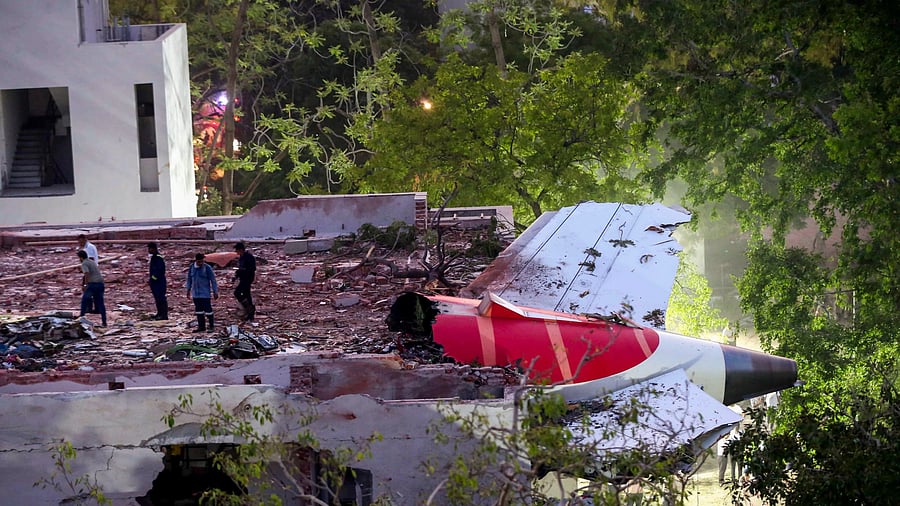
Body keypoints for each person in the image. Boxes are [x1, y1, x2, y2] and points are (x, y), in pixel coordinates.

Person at [186, 253, 218, 333]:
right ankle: (201, 326)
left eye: (202, 261)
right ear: (196, 260)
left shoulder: (207, 268)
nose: (201, 263)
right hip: (196, 294)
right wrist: (188, 290)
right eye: (199, 262)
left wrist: (215, 291)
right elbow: (189, 279)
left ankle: (211, 326)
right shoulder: (192, 267)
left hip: (205, 293)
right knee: (199, 311)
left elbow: (213, 280)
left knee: (208, 311)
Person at [77, 249, 107, 327]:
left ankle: (81, 319)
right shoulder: (92, 262)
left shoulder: (84, 263)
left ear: (80, 257)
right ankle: (104, 322)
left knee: (84, 301)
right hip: (100, 284)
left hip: (92, 284)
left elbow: (86, 273)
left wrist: (85, 285)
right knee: (101, 303)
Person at [233, 241, 257, 321]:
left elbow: (252, 268)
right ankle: (250, 313)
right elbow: (240, 269)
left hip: (248, 278)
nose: (236, 252)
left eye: (237, 250)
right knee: (247, 294)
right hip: (242, 278)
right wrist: (236, 276)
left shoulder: (249, 257)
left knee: (237, 292)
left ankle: (249, 308)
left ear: (241, 250)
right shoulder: (241, 258)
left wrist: (243, 270)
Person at [77, 234, 99, 313]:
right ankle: (96, 308)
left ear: (84, 239)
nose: (80, 243)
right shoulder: (89, 247)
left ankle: (89, 308)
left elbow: (91, 259)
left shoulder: (89, 248)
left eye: (80, 241)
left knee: (87, 289)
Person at [147, 242, 168, 320]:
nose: (149, 250)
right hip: (155, 282)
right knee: (157, 298)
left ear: (154, 249)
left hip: (159, 282)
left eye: (150, 248)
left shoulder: (158, 258)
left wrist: (153, 278)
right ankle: (159, 313)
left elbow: (160, 270)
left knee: (161, 298)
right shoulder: (154, 257)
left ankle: (164, 315)